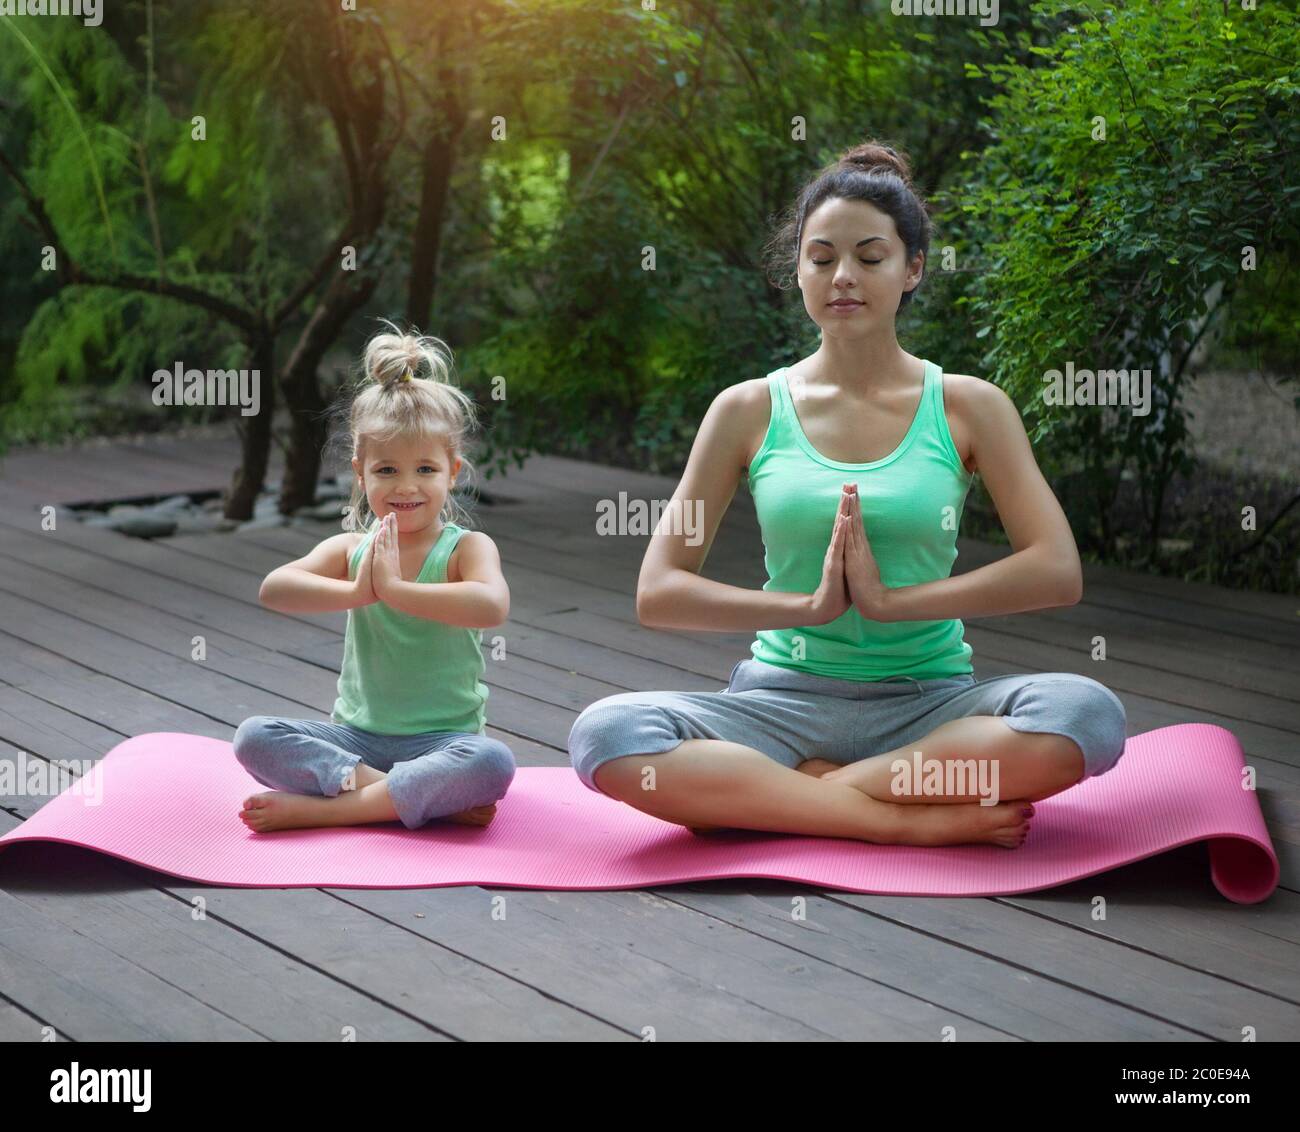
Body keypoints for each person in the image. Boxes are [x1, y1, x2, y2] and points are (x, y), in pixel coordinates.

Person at [568, 140, 1127, 849]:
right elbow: (660, 590)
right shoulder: (747, 409)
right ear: (797, 270)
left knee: (1087, 716)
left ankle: (812, 792)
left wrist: (895, 604)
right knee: (607, 736)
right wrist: (805, 608)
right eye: (821, 256)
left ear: (913, 268)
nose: (843, 277)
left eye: (870, 257)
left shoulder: (967, 406)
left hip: (932, 710)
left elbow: (1056, 571)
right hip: (779, 705)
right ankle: (894, 818)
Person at [233, 323, 515, 833]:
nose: (406, 486)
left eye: (425, 470)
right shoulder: (351, 548)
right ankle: (396, 793)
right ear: (360, 472)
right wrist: (360, 590)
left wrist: (399, 591)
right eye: (386, 470)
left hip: (445, 741)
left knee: (492, 764)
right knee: (253, 737)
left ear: (453, 471)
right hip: (356, 739)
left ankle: (334, 808)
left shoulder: (466, 549)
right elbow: (274, 588)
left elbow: (491, 606)